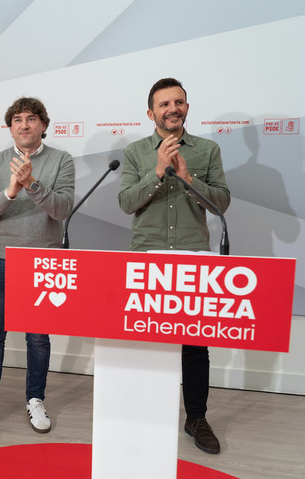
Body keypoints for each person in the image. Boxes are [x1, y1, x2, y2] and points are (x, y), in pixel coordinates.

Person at [118, 78, 230, 454]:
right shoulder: (134, 152)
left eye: (179, 102)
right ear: (151, 113)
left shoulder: (208, 150)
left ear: (186, 108)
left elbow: (221, 204)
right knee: (144, 342)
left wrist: (187, 177)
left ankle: (195, 417)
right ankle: (144, 415)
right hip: (146, 256)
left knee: (195, 346)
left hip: (193, 256)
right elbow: (126, 202)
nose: (173, 109)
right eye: (164, 104)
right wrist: (157, 171)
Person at [0, 97, 74, 434]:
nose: (24, 125)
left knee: (38, 338)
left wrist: (33, 185)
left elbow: (62, 209)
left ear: (43, 125)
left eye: (32, 119)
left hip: (42, 261)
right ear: (10, 127)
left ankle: (35, 399)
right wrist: (10, 191)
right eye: (18, 120)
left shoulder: (61, 160)